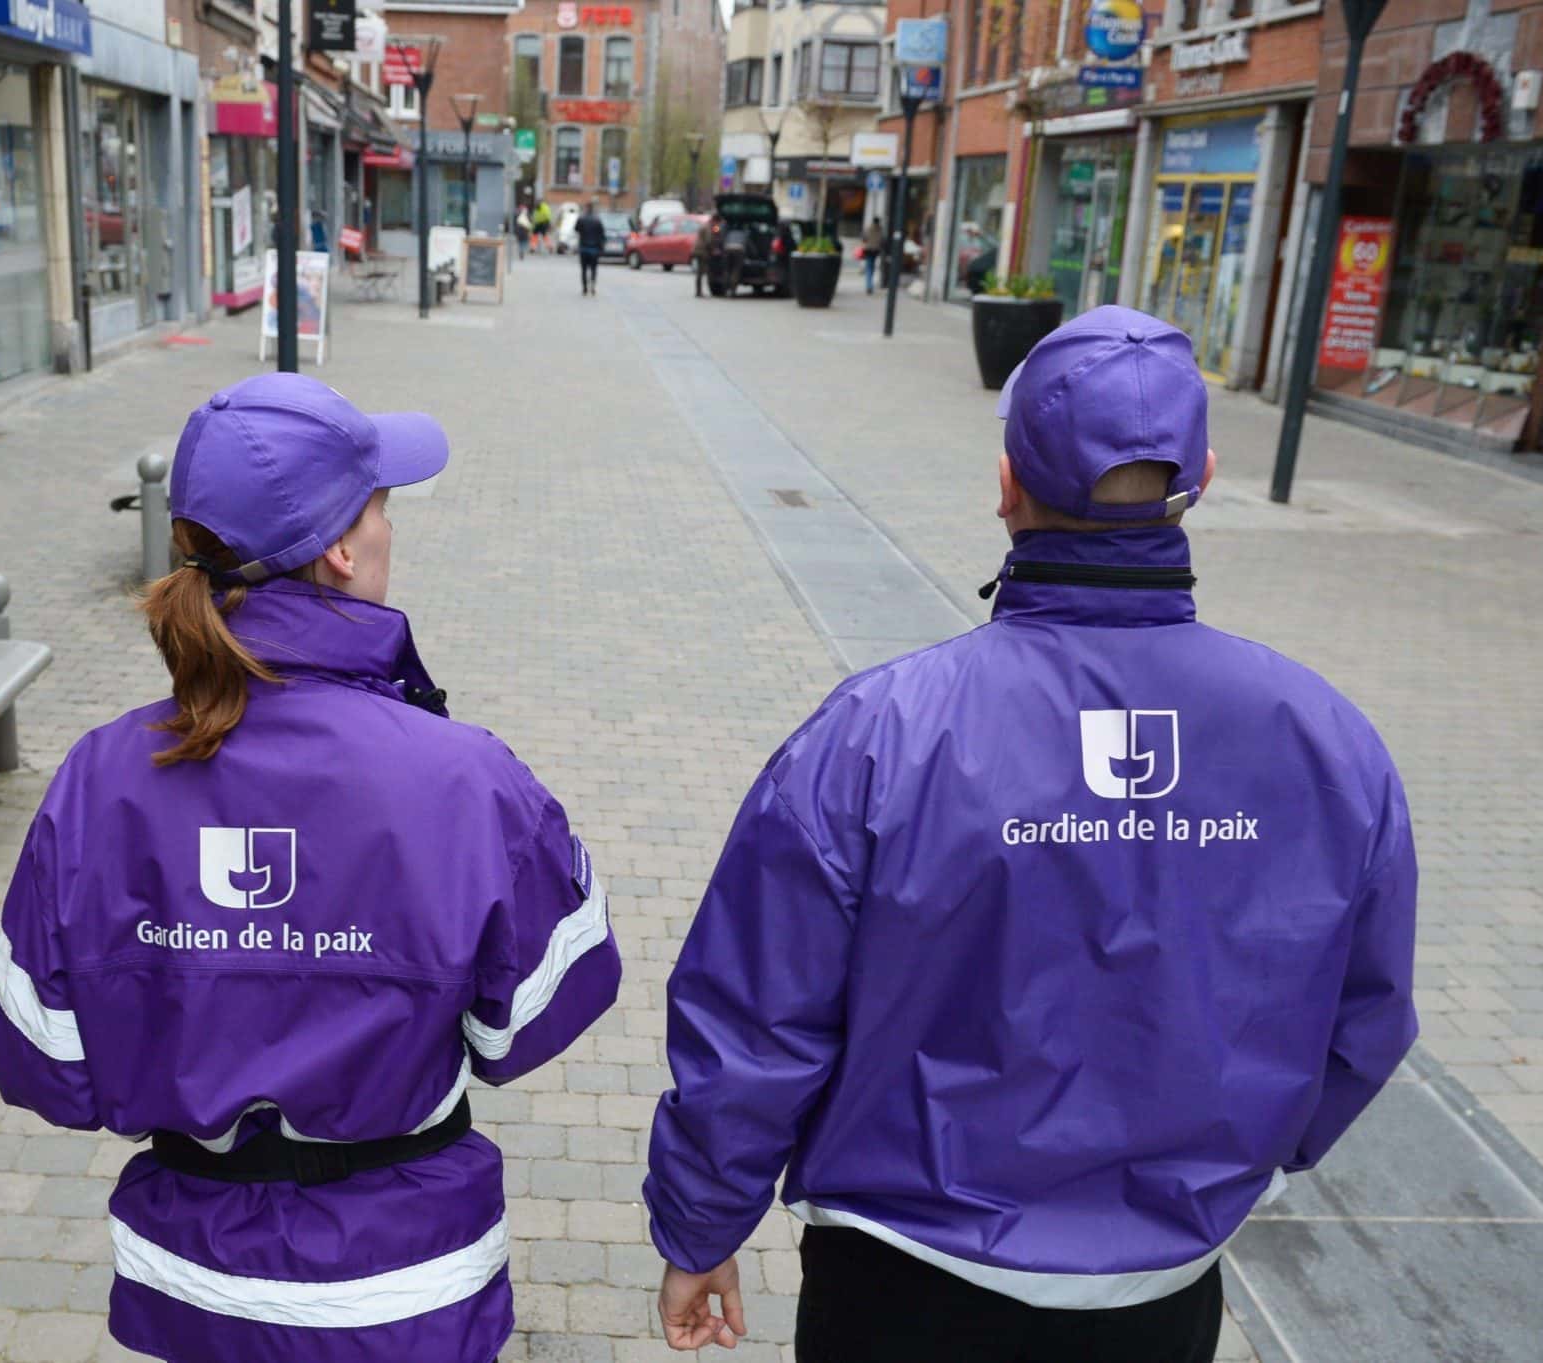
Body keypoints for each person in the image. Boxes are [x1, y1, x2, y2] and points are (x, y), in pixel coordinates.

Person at [645, 306, 1417, 1363]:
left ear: (1004, 484)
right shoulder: (1322, 740)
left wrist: (701, 1222)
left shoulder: (879, 733)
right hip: (1156, 1289)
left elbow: (758, 1016)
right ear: (1205, 477)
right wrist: (1248, 1162)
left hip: (903, 1281)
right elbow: (1365, 1014)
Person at [0, 373, 622, 1363]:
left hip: (192, 1284)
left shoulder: (98, 775)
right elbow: (526, 1019)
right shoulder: (464, 777)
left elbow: (46, 1057)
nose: (392, 530)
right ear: (343, 549)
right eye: (382, 505)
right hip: (406, 1286)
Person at [576, 199, 607, 296]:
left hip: (584, 248)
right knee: (594, 269)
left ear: (586, 208)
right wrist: (601, 247)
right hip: (594, 249)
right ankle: (593, 286)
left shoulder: (581, 219)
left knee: (584, 269)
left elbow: (576, 229)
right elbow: (602, 235)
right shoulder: (597, 220)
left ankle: (585, 288)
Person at [860, 216, 883, 294]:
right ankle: (870, 285)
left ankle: (869, 285)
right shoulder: (880, 230)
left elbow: (864, 238)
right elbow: (882, 240)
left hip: (868, 250)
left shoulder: (868, 228)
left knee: (869, 267)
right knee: (872, 267)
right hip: (875, 250)